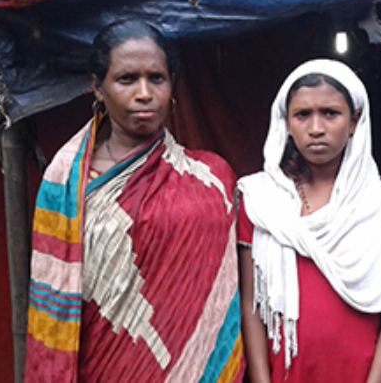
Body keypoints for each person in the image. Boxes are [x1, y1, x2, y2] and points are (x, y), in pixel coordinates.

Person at [24, 20, 245, 383]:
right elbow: (55, 300)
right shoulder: (67, 186)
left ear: (172, 84)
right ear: (98, 87)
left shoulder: (213, 178)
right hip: (104, 368)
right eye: (127, 79)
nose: (144, 93)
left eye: (156, 78)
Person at [237, 59, 381, 383]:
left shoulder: (377, 202)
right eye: (302, 114)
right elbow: (252, 306)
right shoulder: (261, 200)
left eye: (330, 113)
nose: (316, 128)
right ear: (286, 123)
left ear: (354, 122)